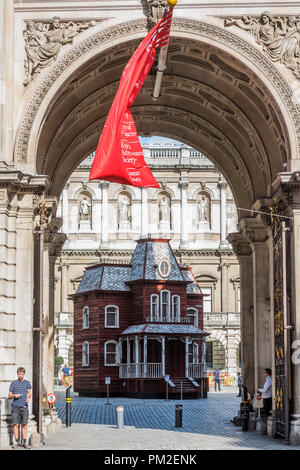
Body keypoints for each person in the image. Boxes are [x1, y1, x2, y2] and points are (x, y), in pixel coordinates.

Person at [9, 367, 32, 449]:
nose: (20, 375)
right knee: (15, 424)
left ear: (24, 374)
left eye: (22, 374)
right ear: (17, 374)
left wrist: (28, 397)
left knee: (24, 425)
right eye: (19, 374)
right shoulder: (13, 383)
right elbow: (9, 394)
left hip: (24, 407)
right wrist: (14, 395)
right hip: (15, 407)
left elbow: (29, 393)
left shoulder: (27, 383)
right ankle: (16, 442)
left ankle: (24, 443)